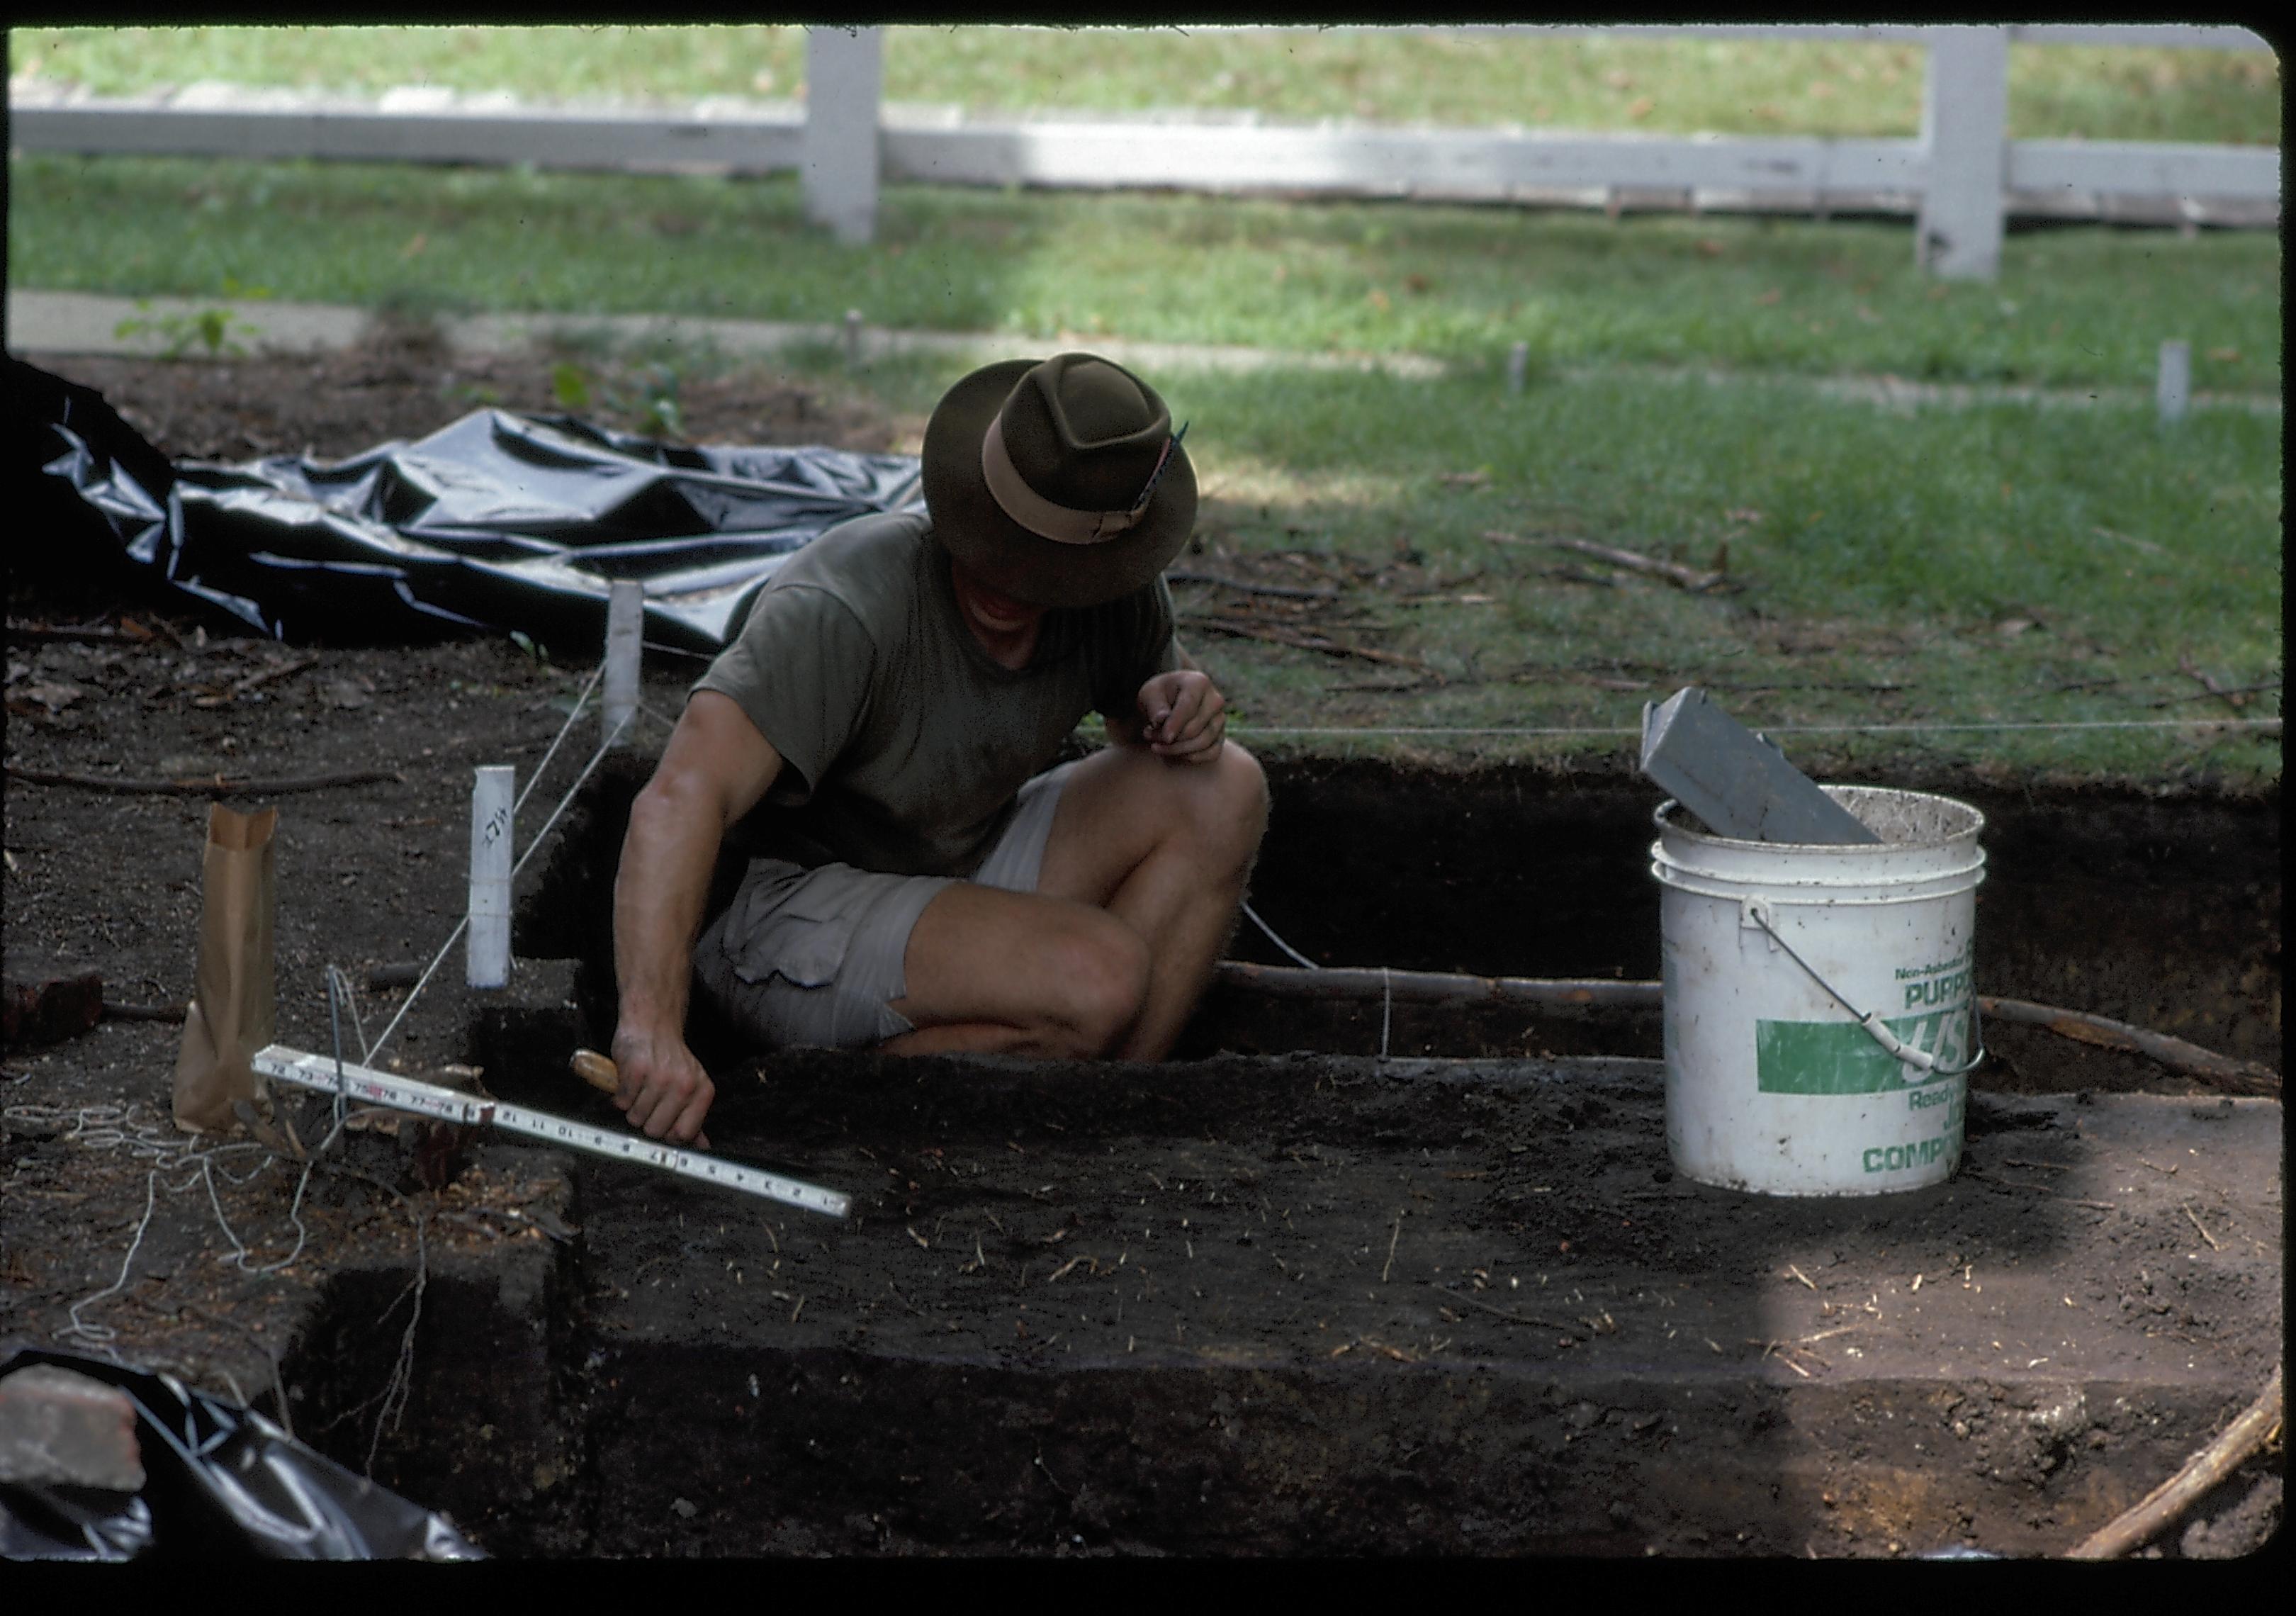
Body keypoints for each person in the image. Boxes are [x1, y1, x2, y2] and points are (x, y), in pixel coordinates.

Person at [606, 352, 1269, 1147]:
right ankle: (822, 1106)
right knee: (1100, 975)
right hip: (785, 914)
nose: (1000, 572)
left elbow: (1147, 723)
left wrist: (1178, 708)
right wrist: (650, 1030)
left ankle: (1101, 1119)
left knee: (1222, 787)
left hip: (955, 872)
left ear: (1097, 565)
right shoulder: (843, 605)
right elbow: (682, 796)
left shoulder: (1113, 598)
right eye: (987, 534)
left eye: (1043, 566)